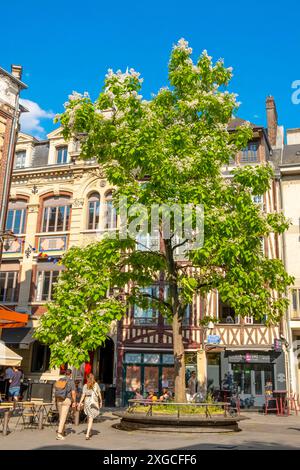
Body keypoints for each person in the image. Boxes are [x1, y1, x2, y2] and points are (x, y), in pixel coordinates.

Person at [78, 373, 102, 440]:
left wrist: (80, 403)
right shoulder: (96, 384)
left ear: (87, 378)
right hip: (93, 402)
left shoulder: (85, 385)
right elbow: (99, 393)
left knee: (89, 416)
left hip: (86, 401)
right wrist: (101, 401)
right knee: (91, 418)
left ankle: (90, 431)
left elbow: (83, 395)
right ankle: (87, 434)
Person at [55, 369, 76, 441]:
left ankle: (62, 431)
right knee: (63, 417)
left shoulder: (60, 379)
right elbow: (73, 393)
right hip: (67, 400)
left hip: (59, 399)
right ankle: (59, 433)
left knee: (61, 417)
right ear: (70, 374)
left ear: (65, 374)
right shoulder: (71, 381)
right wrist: (74, 401)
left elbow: (56, 390)